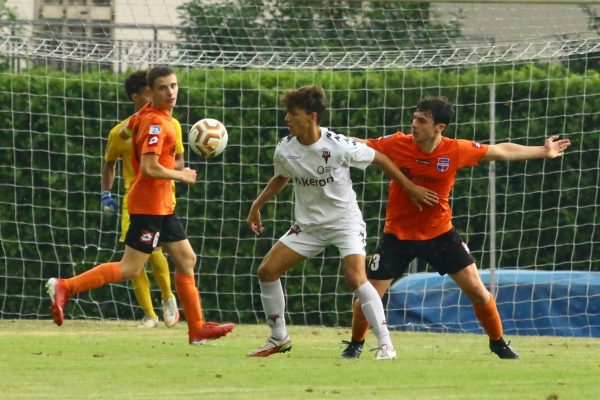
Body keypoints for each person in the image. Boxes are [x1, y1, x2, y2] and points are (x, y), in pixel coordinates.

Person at [340, 96, 571, 360]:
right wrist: (323, 136)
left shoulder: (455, 150)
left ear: (440, 127)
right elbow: (360, 144)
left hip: (440, 234)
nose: (413, 124)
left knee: (477, 291)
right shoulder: (397, 143)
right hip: (398, 236)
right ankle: (355, 345)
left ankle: (498, 343)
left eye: (421, 120)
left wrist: (544, 151)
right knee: (368, 294)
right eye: (414, 118)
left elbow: (501, 151)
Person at [246, 85, 438, 360]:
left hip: (344, 223)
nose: (286, 119)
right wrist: (257, 205)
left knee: (355, 277)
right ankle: (278, 337)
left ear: (312, 116)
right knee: (266, 271)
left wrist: (409, 187)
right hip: (309, 227)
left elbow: (380, 158)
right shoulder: (285, 149)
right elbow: (282, 176)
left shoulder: (337, 145)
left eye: (293, 113)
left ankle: (386, 344)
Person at [46, 66, 234, 345]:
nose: (170, 92)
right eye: (162, 88)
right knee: (130, 269)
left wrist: (133, 128)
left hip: (163, 205)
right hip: (148, 206)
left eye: (173, 86)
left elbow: (125, 131)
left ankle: (197, 328)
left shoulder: (145, 117)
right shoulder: (159, 124)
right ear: (151, 92)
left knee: (186, 259)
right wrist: (181, 174)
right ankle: (64, 286)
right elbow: (148, 167)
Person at [101, 70, 182, 329]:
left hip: (163, 197)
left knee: (160, 253)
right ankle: (149, 314)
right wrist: (106, 194)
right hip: (134, 201)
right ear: (137, 95)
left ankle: (168, 297)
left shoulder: (171, 124)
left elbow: (178, 158)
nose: (161, 94)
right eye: (153, 90)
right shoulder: (120, 133)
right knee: (136, 259)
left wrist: (179, 172)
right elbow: (109, 165)